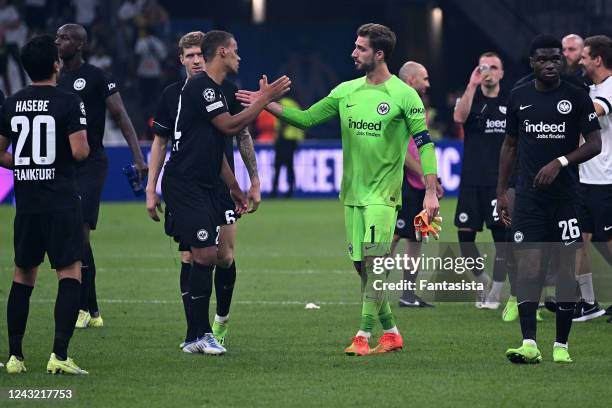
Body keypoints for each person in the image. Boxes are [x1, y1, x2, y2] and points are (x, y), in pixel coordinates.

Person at [237, 23, 440, 356]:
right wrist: (263, 103)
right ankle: (391, 332)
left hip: (384, 196)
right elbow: (305, 119)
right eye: (355, 46)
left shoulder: (405, 95)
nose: (353, 53)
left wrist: (430, 191)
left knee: (374, 263)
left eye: (360, 48)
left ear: (379, 54)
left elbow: (424, 143)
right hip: (352, 195)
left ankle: (363, 335)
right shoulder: (346, 91)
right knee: (363, 267)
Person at [160, 30, 290, 354]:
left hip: (207, 183)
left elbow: (215, 149)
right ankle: (198, 336)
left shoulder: (217, 89)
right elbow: (230, 127)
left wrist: (235, 186)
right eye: (235, 51)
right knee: (202, 254)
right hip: (185, 183)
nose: (239, 57)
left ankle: (198, 336)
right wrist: (262, 101)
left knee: (216, 255)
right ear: (221, 53)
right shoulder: (201, 86)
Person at [147, 31, 262, 348]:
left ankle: (218, 323)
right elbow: (161, 142)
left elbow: (238, 136)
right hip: (188, 183)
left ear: (209, 55)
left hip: (219, 181)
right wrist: (150, 188)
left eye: (200, 54)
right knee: (193, 254)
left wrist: (248, 182)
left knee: (223, 256)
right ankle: (195, 333)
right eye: (190, 55)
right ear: (181, 59)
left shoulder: (226, 89)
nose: (196, 60)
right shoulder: (173, 94)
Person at [496, 34, 601, 364]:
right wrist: (501, 192)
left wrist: (560, 162)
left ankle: (561, 346)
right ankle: (529, 343)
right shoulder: (519, 95)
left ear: (562, 60)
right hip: (528, 199)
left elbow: (595, 143)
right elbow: (510, 145)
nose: (551, 64)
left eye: (556, 58)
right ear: (532, 62)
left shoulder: (576, 95)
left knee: (566, 269)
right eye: (543, 59)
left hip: (567, 198)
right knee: (528, 268)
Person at [0, 35, 90, 374]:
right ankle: (59, 356)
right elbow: (80, 152)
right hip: (61, 200)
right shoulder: (69, 101)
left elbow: (0, 152)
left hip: (27, 203)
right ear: (56, 64)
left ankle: (14, 357)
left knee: (23, 274)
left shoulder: (12, 103)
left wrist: (26, 164)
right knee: (69, 272)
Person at [55, 23, 148, 329]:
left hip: (92, 162)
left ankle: (83, 307)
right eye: (57, 37)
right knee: (73, 232)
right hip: (63, 164)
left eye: (65, 37)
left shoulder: (96, 77)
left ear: (80, 44)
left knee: (80, 228)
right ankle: (92, 309)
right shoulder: (54, 77)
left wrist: (137, 156)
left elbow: (120, 115)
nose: (59, 41)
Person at [453, 52, 508, 308]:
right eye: (483, 67)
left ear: (501, 73)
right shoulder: (470, 99)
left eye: (493, 67)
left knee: (502, 239)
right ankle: (483, 279)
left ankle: (496, 293)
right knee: (465, 239)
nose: (488, 72)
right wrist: (471, 84)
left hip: (499, 182)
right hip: (472, 180)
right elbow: (459, 118)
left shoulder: (511, 101)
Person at [393, 61, 441, 308]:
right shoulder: (399, 102)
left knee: (415, 238)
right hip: (401, 182)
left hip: (416, 181)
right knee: (393, 236)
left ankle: (407, 294)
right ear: (411, 80)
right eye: (425, 78)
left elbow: (418, 145)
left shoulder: (415, 104)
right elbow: (401, 152)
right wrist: (425, 176)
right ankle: (372, 288)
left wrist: (431, 181)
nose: (428, 83)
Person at [574, 35, 612, 322]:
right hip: (585, 178)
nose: (580, 60)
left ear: (597, 59)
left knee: (607, 243)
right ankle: (588, 303)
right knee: (578, 241)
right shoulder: (590, 87)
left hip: (606, 179)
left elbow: (594, 112)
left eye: (584, 55)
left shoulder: (609, 88)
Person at [271, 96, 304, 198]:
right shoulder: (294, 103)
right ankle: (290, 190)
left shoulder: (282, 103)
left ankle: (274, 191)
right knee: (289, 165)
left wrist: (278, 136)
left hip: (284, 138)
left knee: (278, 165)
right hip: (293, 138)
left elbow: (284, 119)